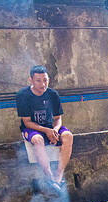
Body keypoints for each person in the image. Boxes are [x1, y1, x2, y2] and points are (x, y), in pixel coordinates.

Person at [16, 65, 73, 193]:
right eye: (38, 80)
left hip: (51, 128)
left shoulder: (53, 94)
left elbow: (58, 118)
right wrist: (47, 131)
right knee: (38, 139)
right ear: (31, 80)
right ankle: (49, 176)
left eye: (45, 80)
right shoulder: (23, 95)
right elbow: (27, 122)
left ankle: (58, 177)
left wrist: (55, 130)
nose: (43, 84)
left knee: (68, 136)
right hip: (32, 128)